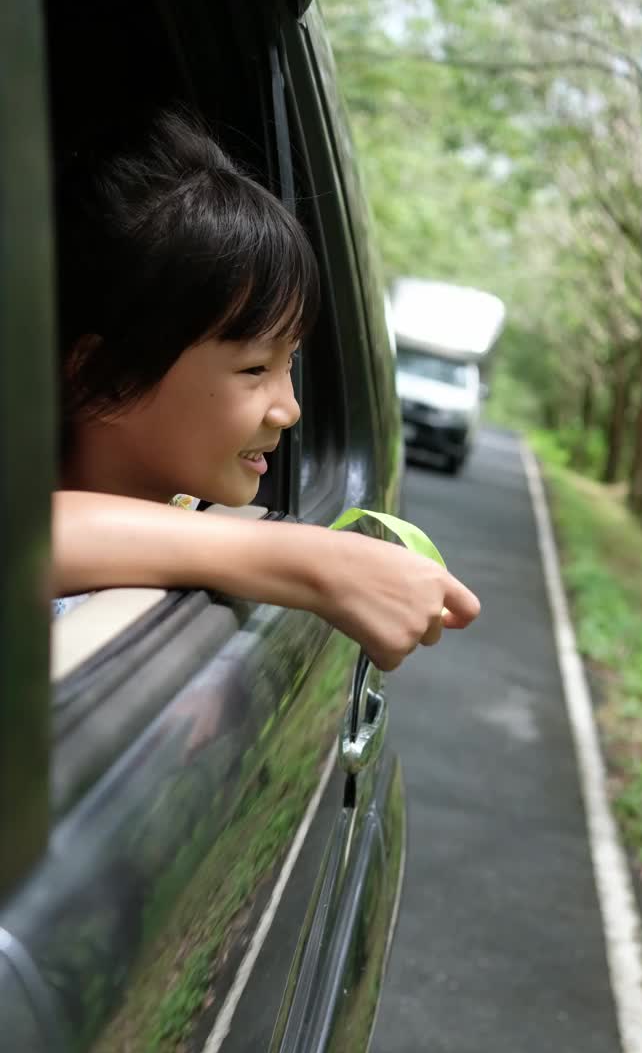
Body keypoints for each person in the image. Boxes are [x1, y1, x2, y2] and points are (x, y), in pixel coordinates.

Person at [52, 111, 480, 671]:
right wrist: (311, 562)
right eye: (255, 369)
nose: (291, 409)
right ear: (103, 377)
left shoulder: (176, 505)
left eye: (291, 364)